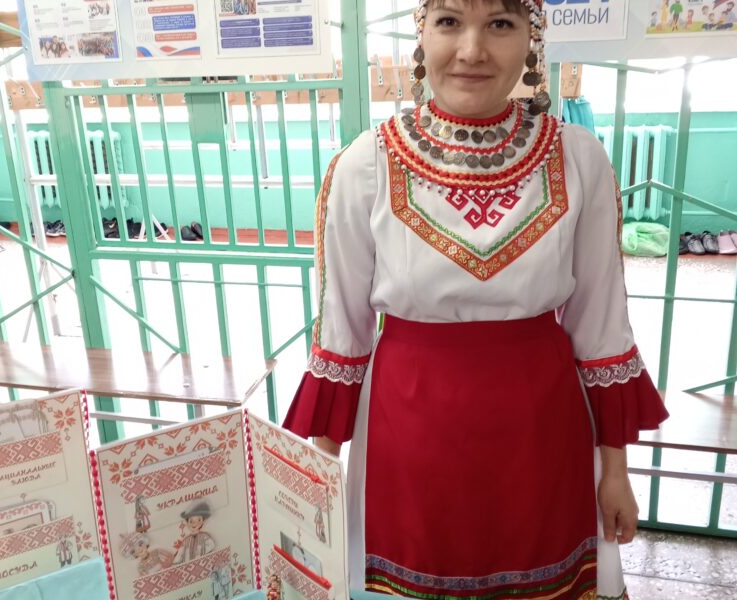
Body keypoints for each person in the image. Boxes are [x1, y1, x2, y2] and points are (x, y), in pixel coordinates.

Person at [281, 1, 670, 598]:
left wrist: (614, 472)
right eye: (449, 22)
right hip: (407, 438)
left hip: (542, 437)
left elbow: (602, 326)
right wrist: (319, 485)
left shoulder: (577, 158)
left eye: (500, 24)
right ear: (422, 34)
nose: (471, 50)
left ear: (531, 40)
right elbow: (343, 336)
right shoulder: (367, 164)